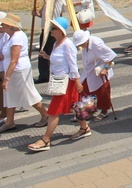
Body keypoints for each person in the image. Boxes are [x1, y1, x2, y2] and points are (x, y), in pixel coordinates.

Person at [29, 17, 88, 152]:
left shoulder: (68, 45)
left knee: (54, 111)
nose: (51, 31)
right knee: (76, 106)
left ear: (61, 31)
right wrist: (47, 57)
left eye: (53, 28)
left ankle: (46, 139)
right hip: (59, 80)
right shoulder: (56, 44)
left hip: (67, 82)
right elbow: (61, 61)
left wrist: (77, 81)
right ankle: (84, 128)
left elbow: (73, 65)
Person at [0, 12, 48, 133]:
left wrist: (6, 78)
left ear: (10, 26)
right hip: (13, 71)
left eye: (4, 25)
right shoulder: (12, 36)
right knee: (10, 95)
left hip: (18, 71)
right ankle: (9, 121)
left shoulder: (16, 38)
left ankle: (45, 114)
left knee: (29, 95)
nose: (2, 26)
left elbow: (14, 60)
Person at [72, 30, 115, 121]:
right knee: (86, 90)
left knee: (102, 92)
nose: (80, 45)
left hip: (100, 71)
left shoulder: (96, 43)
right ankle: (89, 110)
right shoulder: (85, 46)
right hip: (89, 70)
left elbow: (110, 56)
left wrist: (105, 69)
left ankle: (104, 111)